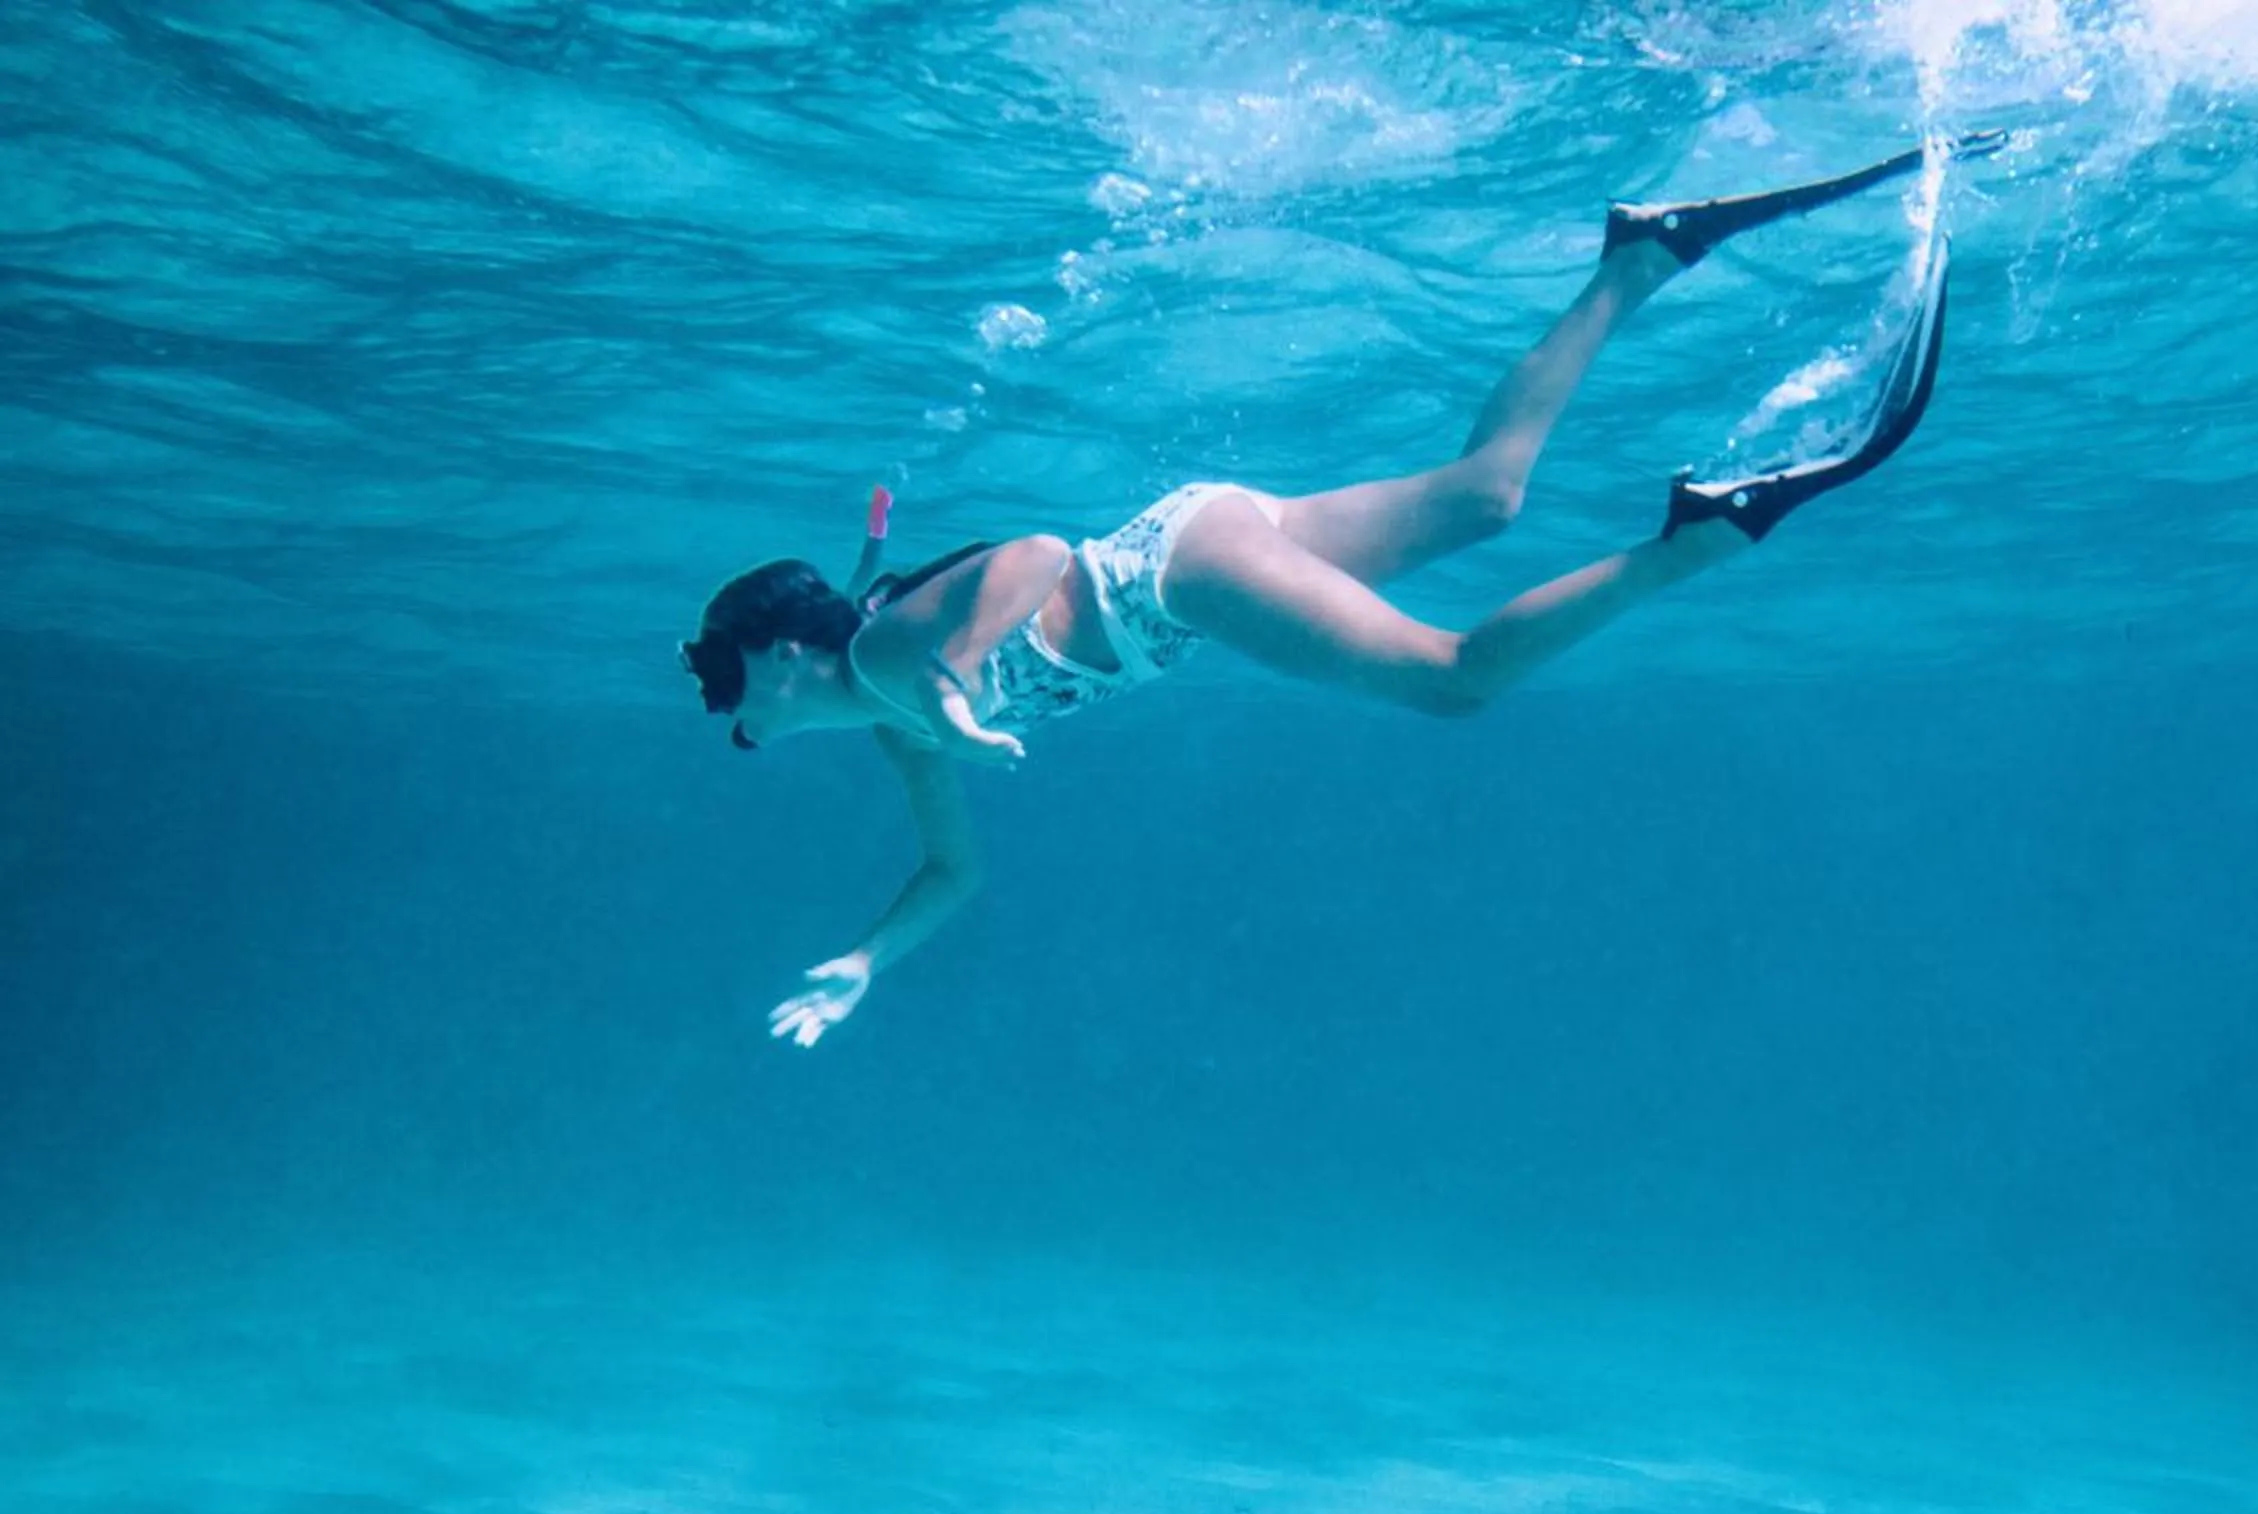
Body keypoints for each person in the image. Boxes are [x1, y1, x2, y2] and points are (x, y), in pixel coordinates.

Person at [682, 134, 1991, 1047]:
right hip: (1193, 539)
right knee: (1486, 492)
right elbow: (954, 870)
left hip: (1173, 579)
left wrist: (957, 689)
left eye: (732, 685)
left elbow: (1026, 554)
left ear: (784, 655)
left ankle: (1699, 539)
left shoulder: (892, 666)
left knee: (1454, 681)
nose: (733, 717)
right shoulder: (887, 699)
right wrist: (864, 961)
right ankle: (1638, 259)